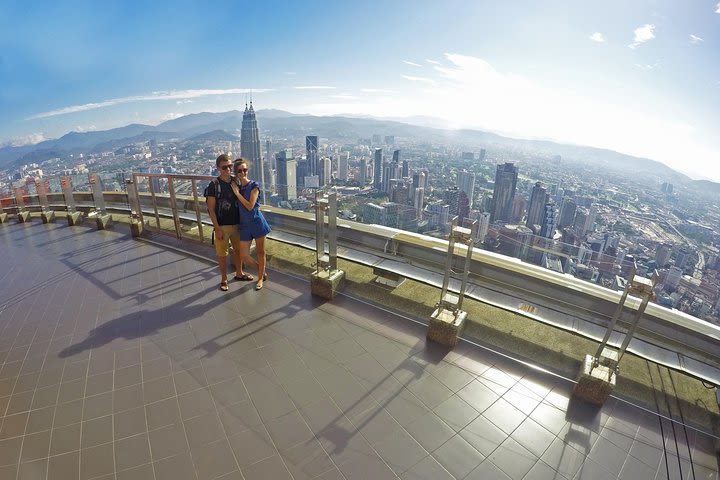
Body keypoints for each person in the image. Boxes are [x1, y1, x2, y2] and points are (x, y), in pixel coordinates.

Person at [205, 154, 250, 291]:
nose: (228, 169)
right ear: (218, 168)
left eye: (230, 166)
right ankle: (224, 279)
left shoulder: (235, 181)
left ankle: (239, 273)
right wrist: (216, 228)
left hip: (237, 224)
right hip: (222, 226)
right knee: (222, 254)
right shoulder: (214, 185)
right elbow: (211, 209)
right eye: (225, 167)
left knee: (238, 251)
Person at [231, 158, 271, 290]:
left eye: (245, 170)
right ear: (236, 173)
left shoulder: (254, 186)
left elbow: (250, 206)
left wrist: (237, 194)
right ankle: (262, 271)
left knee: (261, 252)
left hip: (257, 222)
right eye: (240, 171)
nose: (243, 173)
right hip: (244, 225)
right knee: (244, 256)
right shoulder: (237, 186)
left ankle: (260, 278)